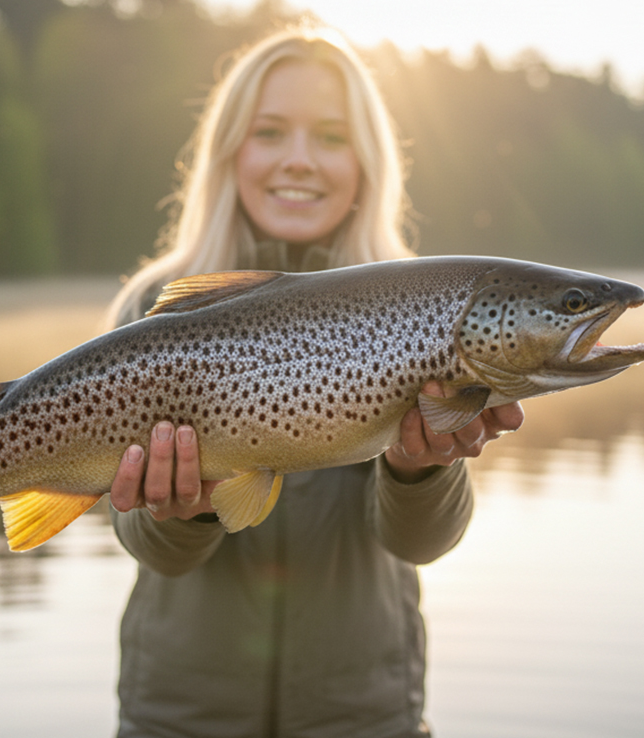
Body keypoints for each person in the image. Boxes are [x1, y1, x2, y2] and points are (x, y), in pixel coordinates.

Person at [106, 26, 524, 738]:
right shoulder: (155, 308)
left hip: (365, 718)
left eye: (331, 137)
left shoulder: (425, 310)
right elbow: (150, 549)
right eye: (270, 132)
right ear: (229, 151)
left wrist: (420, 468)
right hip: (179, 719)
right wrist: (187, 510)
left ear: (367, 161)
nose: (299, 158)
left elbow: (422, 544)